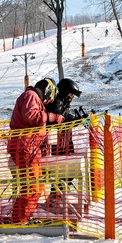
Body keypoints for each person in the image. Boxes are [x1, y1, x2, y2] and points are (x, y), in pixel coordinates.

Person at [5, 78, 62, 224]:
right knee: (32, 186)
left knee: (35, 185)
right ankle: (19, 220)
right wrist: (51, 117)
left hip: (29, 146)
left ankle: (20, 217)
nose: (48, 102)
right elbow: (30, 116)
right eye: (50, 98)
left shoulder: (32, 97)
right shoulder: (31, 96)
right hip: (25, 147)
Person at [43, 78, 85, 212]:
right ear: (65, 92)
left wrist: (77, 120)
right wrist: (72, 120)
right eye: (71, 94)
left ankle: (55, 197)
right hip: (55, 145)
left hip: (63, 144)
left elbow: (65, 119)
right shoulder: (57, 103)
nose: (72, 97)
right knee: (60, 173)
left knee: (66, 173)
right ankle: (54, 199)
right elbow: (58, 121)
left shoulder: (62, 103)